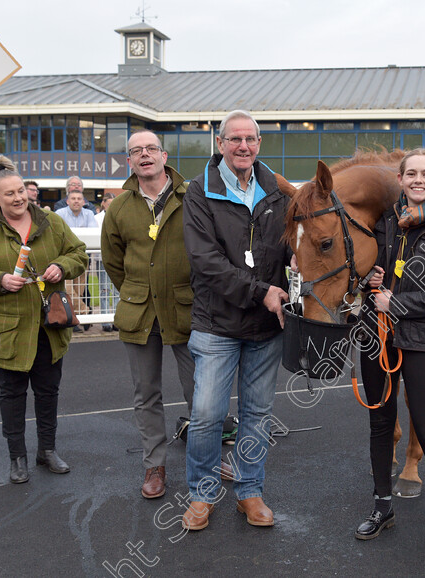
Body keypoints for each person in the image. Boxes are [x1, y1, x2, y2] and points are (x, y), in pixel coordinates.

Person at [355, 148, 425, 554]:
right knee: (380, 426)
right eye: (411, 174)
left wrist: (396, 304)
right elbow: (366, 267)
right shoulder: (385, 222)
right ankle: (382, 507)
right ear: (401, 180)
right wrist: (371, 277)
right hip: (379, 338)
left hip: (424, 342)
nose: (418, 180)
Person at [181, 110, 291, 531]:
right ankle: (201, 495)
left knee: (257, 414)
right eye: (234, 139)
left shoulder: (277, 190)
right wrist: (260, 291)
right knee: (208, 414)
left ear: (259, 144)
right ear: (220, 143)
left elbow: (286, 244)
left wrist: (295, 257)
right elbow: (205, 262)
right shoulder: (199, 191)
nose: (243, 146)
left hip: (266, 328)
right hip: (217, 325)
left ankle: (249, 491)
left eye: (250, 139)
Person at [0, 156, 88, 484]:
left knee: (48, 391)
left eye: (20, 191)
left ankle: (47, 450)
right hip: (9, 331)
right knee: (11, 394)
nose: (18, 198)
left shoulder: (51, 223)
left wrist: (61, 266)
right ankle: (18, 457)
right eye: (9, 193)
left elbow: (79, 253)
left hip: (48, 328)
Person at [100, 132, 199, 498]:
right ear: (130, 161)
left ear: (164, 155)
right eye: (136, 151)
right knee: (146, 395)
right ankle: (154, 466)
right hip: (140, 314)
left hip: (187, 310)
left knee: (201, 392)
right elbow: (113, 261)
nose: (144, 155)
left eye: (150, 149)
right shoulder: (120, 208)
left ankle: (205, 459)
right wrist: (138, 290)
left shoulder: (194, 197)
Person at [55, 189, 96, 331]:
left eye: (79, 198)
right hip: (64, 257)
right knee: (68, 290)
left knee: (78, 290)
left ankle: (73, 321)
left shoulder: (89, 214)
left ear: (84, 202)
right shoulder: (60, 214)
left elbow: (91, 235)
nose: (76, 201)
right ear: (67, 201)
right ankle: (84, 311)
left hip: (83, 257)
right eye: (73, 198)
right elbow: (58, 235)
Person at [96, 192, 117, 332]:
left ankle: (116, 320)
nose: (110, 206)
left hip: (117, 259)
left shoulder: (119, 215)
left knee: (117, 291)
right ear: (103, 203)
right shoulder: (96, 218)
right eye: (108, 204)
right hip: (102, 259)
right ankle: (105, 321)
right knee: (104, 290)